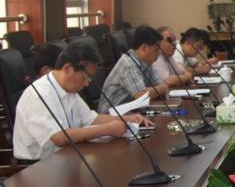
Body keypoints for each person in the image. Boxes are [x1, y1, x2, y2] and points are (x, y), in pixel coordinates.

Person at [12, 44, 151, 161]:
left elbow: (91, 119)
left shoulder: (68, 89)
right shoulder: (40, 94)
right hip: (38, 167)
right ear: (67, 69)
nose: (87, 83)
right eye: (85, 77)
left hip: (66, 157)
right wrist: (108, 129)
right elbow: (59, 137)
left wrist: (126, 119)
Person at [98, 25, 168, 113]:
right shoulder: (129, 64)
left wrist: (162, 88)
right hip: (111, 115)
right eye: (156, 49)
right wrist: (163, 88)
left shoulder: (147, 62)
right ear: (144, 48)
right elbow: (142, 96)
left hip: (130, 112)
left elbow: (160, 84)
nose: (159, 52)